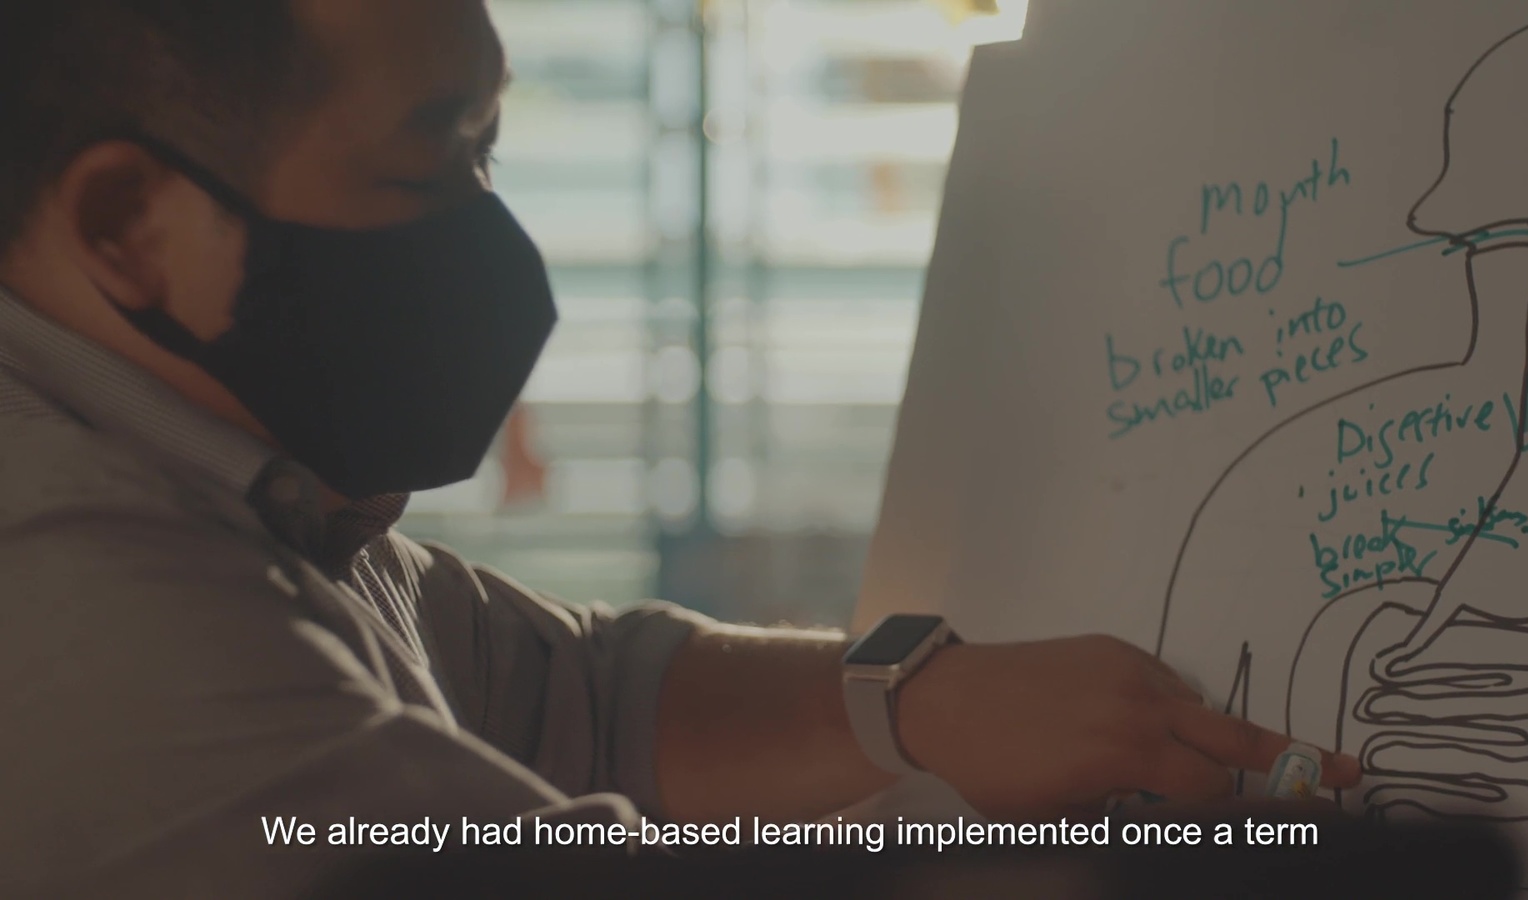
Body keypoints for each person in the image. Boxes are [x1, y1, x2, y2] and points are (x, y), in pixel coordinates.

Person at [0, 2, 1359, 897]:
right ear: (130, 220)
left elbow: (585, 696)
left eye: (492, 153)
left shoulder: (255, 488)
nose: (489, 238)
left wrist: (917, 698)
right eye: (426, 173)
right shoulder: (66, 576)